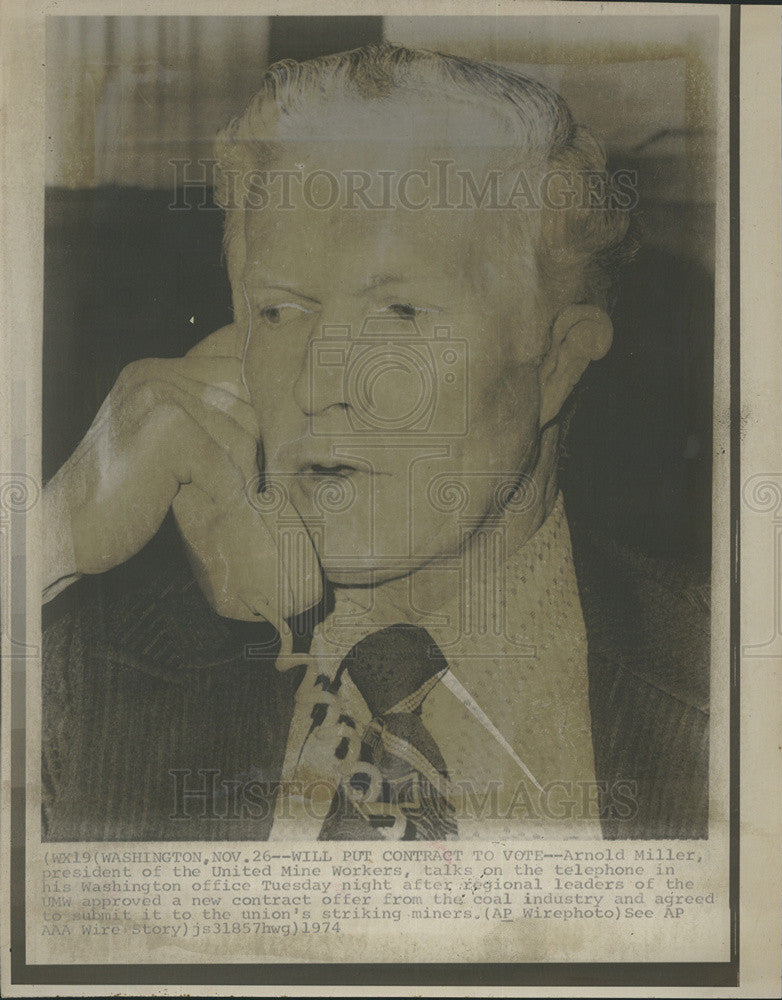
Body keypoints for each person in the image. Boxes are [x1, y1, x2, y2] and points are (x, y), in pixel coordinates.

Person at [41, 42, 708, 842]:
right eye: (281, 312)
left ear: (558, 361)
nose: (320, 382)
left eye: (401, 315)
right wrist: (45, 543)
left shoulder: (725, 674)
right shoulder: (75, 664)